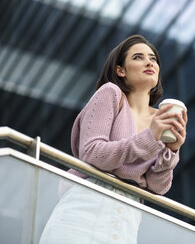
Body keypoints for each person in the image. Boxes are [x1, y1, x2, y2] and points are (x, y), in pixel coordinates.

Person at [39, 34, 187, 243]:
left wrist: (172, 151)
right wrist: (150, 137)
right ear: (121, 70)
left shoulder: (160, 118)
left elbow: (157, 186)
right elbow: (91, 152)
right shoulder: (111, 93)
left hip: (126, 222)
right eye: (138, 57)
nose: (149, 62)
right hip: (83, 210)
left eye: (153, 58)